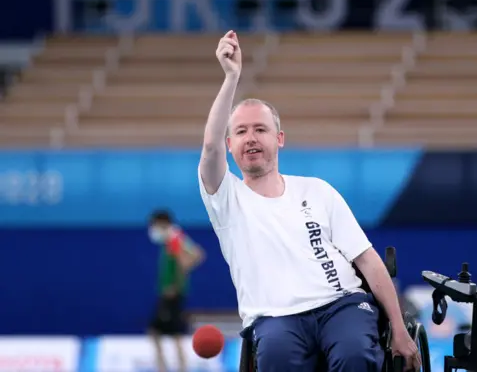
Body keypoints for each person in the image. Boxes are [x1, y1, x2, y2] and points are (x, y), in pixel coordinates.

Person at [197, 30, 420, 372]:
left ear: (279, 138)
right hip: (275, 319)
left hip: (340, 306)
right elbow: (209, 147)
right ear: (230, 145)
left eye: (260, 129)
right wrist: (231, 78)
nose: (251, 138)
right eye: (240, 132)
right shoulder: (226, 199)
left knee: (356, 357)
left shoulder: (317, 190)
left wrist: (401, 330)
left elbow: (370, 261)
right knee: (276, 359)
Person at [147, 209, 205, 372]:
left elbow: (196, 255)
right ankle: (171, 367)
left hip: (172, 294)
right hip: (170, 293)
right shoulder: (171, 239)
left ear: (161, 224)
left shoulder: (174, 238)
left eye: (154, 226)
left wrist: (177, 282)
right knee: (164, 332)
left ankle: (176, 368)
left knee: (170, 333)